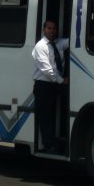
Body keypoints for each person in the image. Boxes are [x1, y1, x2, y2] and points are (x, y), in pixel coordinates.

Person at [32, 20, 69, 154]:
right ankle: (49, 145)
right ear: (43, 30)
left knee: (54, 114)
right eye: (49, 28)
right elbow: (47, 70)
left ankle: (57, 140)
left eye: (54, 29)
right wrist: (61, 81)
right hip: (43, 85)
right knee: (45, 117)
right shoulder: (40, 46)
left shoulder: (59, 43)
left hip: (54, 85)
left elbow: (75, 41)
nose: (52, 31)